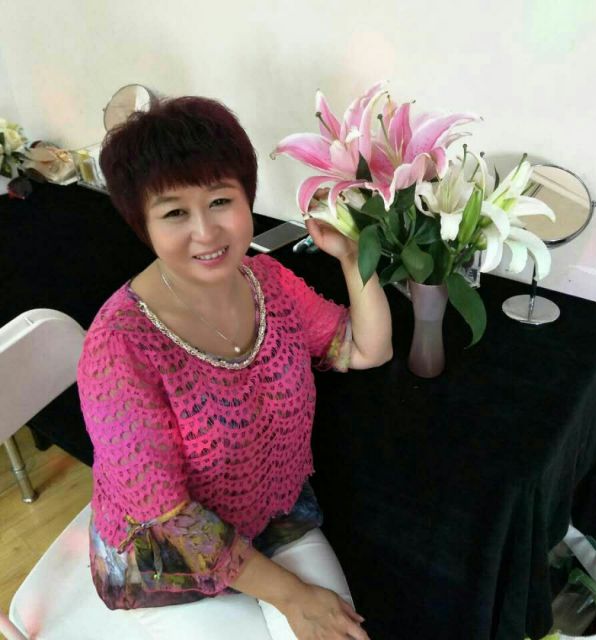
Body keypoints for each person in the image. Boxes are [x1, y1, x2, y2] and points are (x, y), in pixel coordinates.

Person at [77, 95, 393, 640]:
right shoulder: (118, 348)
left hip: (273, 518)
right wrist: (294, 597)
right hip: (166, 564)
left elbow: (366, 350)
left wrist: (352, 257)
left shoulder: (267, 281)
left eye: (220, 200)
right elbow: (169, 516)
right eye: (175, 213)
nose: (206, 232)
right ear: (143, 224)